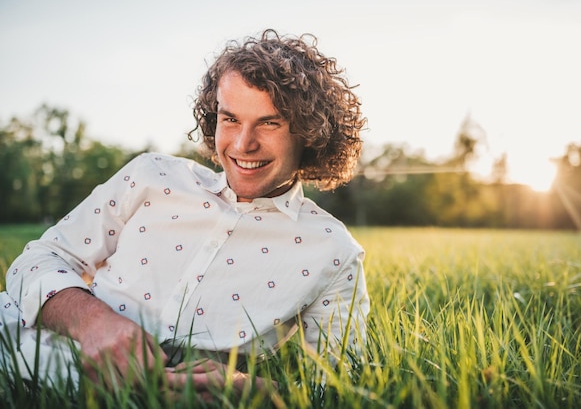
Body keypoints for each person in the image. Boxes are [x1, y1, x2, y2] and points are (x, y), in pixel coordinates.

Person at [0, 29, 369, 399]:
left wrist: (252, 392)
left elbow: (338, 390)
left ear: (310, 131)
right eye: (230, 119)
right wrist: (94, 323)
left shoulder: (333, 251)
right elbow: (37, 260)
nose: (243, 144)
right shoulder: (151, 174)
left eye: (269, 122)